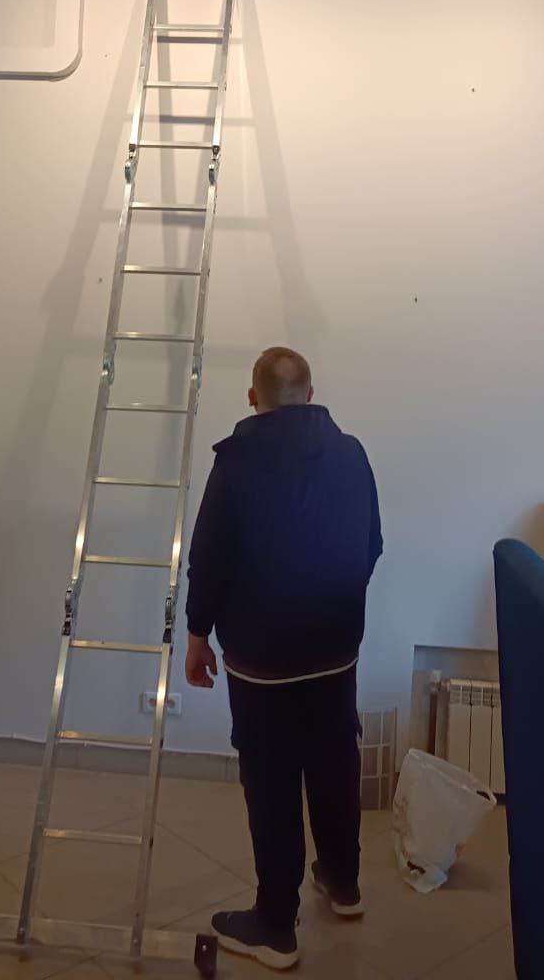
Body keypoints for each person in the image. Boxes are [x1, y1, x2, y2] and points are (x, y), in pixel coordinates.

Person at [185, 347, 382, 971]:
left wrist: (197, 633)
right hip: (335, 651)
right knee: (334, 764)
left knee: (271, 784)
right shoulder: (352, 454)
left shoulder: (235, 462)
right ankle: (343, 883)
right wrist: (335, 606)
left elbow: (209, 558)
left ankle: (275, 924)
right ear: (312, 393)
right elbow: (372, 544)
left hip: (261, 658)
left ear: (253, 398)